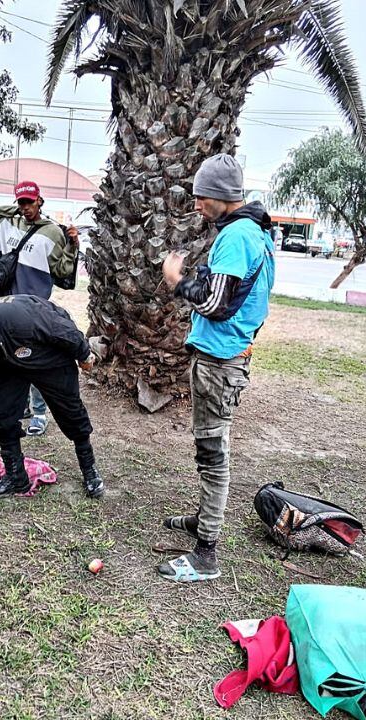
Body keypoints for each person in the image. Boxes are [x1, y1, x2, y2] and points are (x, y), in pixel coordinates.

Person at [159, 153, 275, 582]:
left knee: (213, 455)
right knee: (209, 449)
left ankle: (206, 553)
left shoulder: (238, 236)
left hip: (218, 363)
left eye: (200, 196)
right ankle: (202, 519)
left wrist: (176, 280)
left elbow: (217, 305)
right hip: (225, 360)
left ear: (222, 196)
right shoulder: (254, 233)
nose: (195, 204)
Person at [0, 294, 104, 499]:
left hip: (47, 357)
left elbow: (66, 332)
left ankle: (89, 471)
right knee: (2, 416)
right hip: (6, 365)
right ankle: (16, 478)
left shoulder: (26, 323)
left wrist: (84, 356)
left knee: (71, 413)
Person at [0, 181, 80, 437]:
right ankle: (22, 406)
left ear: (40, 200)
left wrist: (72, 245)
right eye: (21, 202)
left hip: (35, 306)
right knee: (9, 357)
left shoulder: (52, 232)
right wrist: (17, 211)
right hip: (6, 303)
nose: (26, 207)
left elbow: (63, 271)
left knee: (36, 358)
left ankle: (39, 413)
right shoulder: (9, 223)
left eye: (30, 201)